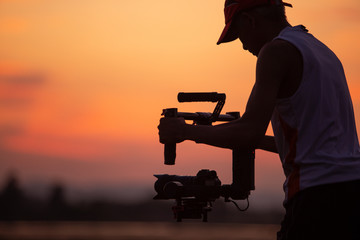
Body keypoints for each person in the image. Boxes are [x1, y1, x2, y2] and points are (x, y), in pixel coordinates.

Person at [158, 0, 360, 239]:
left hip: (316, 197)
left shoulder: (275, 51)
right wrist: (238, 135)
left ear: (250, 21)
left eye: (238, 34)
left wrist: (185, 132)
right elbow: (306, 145)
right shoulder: (322, 51)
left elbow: (249, 131)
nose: (243, 46)